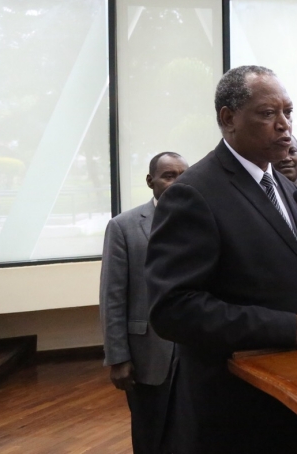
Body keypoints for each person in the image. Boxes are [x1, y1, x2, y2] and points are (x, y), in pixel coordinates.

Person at [145, 65, 297, 454]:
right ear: (228, 119)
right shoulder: (194, 193)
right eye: (268, 114)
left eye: (288, 112)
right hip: (238, 409)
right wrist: (287, 327)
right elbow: (173, 309)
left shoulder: (281, 183)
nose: (285, 126)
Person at [100, 151, 189, 454]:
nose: (177, 182)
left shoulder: (200, 221)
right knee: (150, 434)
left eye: (182, 175)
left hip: (195, 350)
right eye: (168, 175)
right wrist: (118, 357)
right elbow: (112, 297)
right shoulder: (123, 227)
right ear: (150, 181)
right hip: (147, 355)